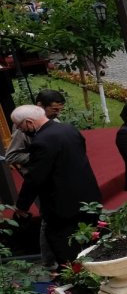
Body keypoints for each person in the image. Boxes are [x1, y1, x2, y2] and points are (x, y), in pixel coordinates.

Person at [11, 105, 101, 266]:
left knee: (66, 250)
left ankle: (78, 281)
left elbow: (35, 178)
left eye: (19, 126)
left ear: (29, 122)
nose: (20, 130)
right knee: (91, 242)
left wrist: (21, 207)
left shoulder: (41, 141)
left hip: (62, 205)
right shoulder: (68, 129)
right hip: (88, 197)